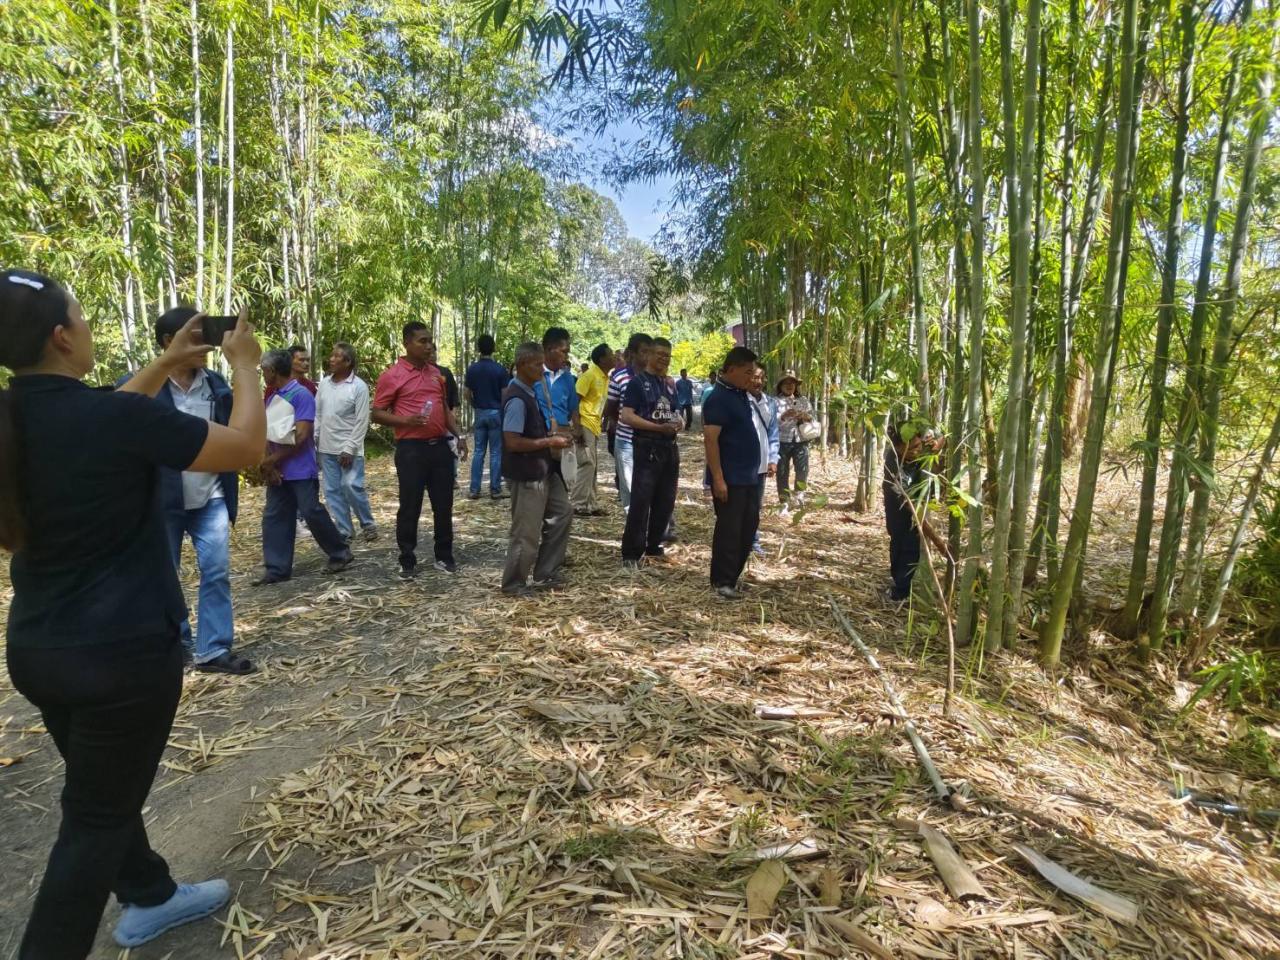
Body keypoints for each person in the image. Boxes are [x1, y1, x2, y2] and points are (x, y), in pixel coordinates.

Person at [0, 269, 266, 956]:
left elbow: (100, 415)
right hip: (121, 658)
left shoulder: (19, 417)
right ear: (62, 337)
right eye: (82, 318)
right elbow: (245, 451)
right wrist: (245, 370)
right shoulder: (110, 418)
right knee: (91, 822)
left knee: (100, 790)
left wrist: (169, 363)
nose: (88, 329)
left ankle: (148, 894)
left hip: (39, 653)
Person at [147, 307, 252, 674]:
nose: (206, 344)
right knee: (164, 577)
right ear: (167, 342)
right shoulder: (143, 386)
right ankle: (176, 645)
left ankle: (213, 650)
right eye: (196, 336)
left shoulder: (217, 385)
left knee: (216, 573)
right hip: (162, 501)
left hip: (211, 497)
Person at [373, 322, 468, 579]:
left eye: (430, 341)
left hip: (439, 448)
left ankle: (444, 556)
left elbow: (445, 410)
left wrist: (459, 435)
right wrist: (406, 421)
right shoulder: (392, 376)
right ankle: (407, 559)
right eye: (422, 341)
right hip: (411, 450)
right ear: (406, 343)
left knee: (443, 504)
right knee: (410, 505)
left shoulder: (438, 374)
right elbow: (377, 413)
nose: (428, 346)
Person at [257, 349, 353, 584]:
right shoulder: (272, 396)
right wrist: (270, 464)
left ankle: (340, 552)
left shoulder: (300, 395)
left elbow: (301, 436)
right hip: (279, 468)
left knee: (311, 511)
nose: (262, 373)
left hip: (300, 468)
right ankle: (277, 569)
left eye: (264, 369)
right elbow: (267, 434)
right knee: (275, 516)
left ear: (272, 370)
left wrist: (272, 459)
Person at [500, 342, 574, 595]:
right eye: (535, 365)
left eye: (542, 364)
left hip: (544, 470)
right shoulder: (517, 398)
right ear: (521, 366)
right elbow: (512, 441)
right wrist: (549, 441)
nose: (541, 369)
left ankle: (546, 572)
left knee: (562, 512)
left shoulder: (531, 392)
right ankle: (514, 583)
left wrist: (554, 436)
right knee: (526, 532)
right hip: (528, 473)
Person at [702, 347, 764, 600]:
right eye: (747, 372)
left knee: (748, 526)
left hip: (749, 476)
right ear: (731, 369)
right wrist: (718, 478)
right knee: (730, 529)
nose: (752, 377)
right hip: (731, 478)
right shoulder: (718, 398)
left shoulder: (739, 394)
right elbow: (710, 440)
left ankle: (732, 577)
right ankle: (722, 581)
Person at [620, 337, 682, 567]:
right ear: (649, 355)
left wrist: (679, 423)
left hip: (670, 446)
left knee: (666, 499)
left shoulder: (669, 383)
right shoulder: (637, 383)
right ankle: (630, 553)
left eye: (667, 355)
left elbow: (675, 412)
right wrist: (657, 428)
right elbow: (627, 416)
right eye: (659, 355)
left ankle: (654, 545)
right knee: (641, 501)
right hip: (647, 446)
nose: (664, 359)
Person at [316, 342, 377, 543]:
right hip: (326, 447)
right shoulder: (324, 383)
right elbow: (318, 413)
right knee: (332, 491)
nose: (331, 359)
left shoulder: (358, 386)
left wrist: (349, 448)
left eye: (336, 356)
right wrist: (315, 439)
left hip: (349, 448)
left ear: (348, 362)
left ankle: (367, 523)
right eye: (331, 356)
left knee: (351, 485)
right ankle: (345, 530)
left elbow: (361, 420)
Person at [883, 418, 945, 602]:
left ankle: (905, 584)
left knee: (911, 545)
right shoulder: (893, 465)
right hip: (899, 503)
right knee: (901, 539)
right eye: (911, 449)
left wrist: (934, 445)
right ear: (898, 448)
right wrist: (939, 542)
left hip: (918, 497)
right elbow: (912, 509)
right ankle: (901, 589)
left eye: (919, 445)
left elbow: (943, 438)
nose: (917, 450)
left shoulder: (921, 445)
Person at [603, 332, 652, 513]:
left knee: (649, 485)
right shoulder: (619, 377)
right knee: (630, 487)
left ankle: (651, 528)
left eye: (650, 352)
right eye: (644, 352)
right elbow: (611, 407)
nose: (647, 356)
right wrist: (622, 422)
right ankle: (635, 530)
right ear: (632, 354)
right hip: (626, 441)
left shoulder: (655, 378)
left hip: (650, 441)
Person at [464, 333, 508, 500]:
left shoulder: (472, 369)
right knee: (496, 452)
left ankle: (474, 489)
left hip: (480, 412)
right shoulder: (500, 369)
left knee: (479, 451)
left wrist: (475, 405)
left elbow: (467, 393)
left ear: (478, 349)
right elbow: (505, 394)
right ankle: (495, 490)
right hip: (496, 412)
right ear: (493, 348)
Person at [573, 343, 614, 517]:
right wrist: (577, 428)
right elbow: (574, 401)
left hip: (594, 425)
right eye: (610, 354)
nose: (613, 357)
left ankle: (591, 503)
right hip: (585, 423)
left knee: (593, 465)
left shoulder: (605, 378)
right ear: (602, 359)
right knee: (587, 463)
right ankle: (577, 504)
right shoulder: (589, 375)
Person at [536, 326, 579, 490]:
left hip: (560, 441)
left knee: (559, 490)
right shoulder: (533, 374)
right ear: (549, 349)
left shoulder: (568, 378)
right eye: (564, 351)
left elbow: (572, 408)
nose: (566, 356)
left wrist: (576, 429)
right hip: (537, 441)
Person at [749, 364, 779, 557]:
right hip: (742, 465)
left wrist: (773, 458)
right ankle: (739, 541)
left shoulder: (770, 403)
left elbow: (773, 433)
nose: (757, 381)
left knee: (755, 505)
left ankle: (753, 541)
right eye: (753, 377)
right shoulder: (740, 400)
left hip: (760, 465)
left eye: (761, 378)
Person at [775, 371, 815, 513]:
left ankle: (799, 497)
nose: (789, 385)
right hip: (782, 441)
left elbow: (812, 419)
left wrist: (805, 417)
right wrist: (784, 416)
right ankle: (784, 503)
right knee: (782, 473)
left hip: (800, 440)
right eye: (786, 383)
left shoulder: (803, 400)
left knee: (802, 471)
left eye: (792, 383)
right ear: (780, 386)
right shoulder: (774, 401)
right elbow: (771, 424)